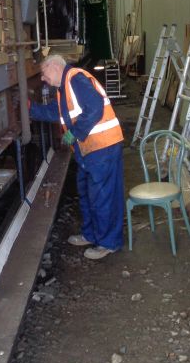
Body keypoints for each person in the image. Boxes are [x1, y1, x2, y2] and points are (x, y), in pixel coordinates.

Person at [30, 55, 125, 260]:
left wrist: (75, 131)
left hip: (103, 147)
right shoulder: (64, 89)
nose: (43, 79)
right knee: (87, 193)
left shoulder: (75, 78)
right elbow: (54, 112)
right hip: (89, 150)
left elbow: (95, 107)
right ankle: (91, 234)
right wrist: (30, 109)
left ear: (54, 66)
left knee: (103, 196)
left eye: (44, 74)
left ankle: (108, 242)